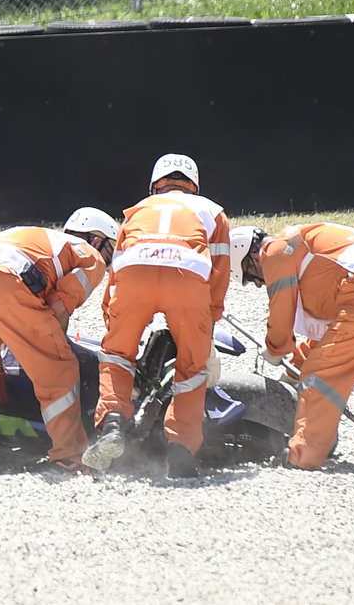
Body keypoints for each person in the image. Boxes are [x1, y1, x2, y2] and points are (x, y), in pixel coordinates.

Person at [230, 222, 354, 471]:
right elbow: (333, 335)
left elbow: (281, 312)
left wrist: (275, 348)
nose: (259, 284)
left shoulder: (275, 250)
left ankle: (304, 454)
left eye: (251, 276)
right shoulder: (309, 253)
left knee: (322, 371)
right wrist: (293, 371)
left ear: (252, 254)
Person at [83, 154, 231, 479]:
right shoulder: (213, 211)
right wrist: (208, 323)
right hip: (187, 275)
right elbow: (219, 272)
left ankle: (112, 426)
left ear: (155, 185)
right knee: (191, 367)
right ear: (193, 186)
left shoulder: (136, 210)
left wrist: (114, 320)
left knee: (118, 355)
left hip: (136, 271)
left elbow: (116, 269)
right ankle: (181, 455)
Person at [0, 207, 116, 478]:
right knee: (59, 368)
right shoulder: (89, 253)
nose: (107, 266)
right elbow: (57, 310)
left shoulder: (39, 239)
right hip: (5, 281)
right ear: (98, 240)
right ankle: (69, 456)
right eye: (110, 253)